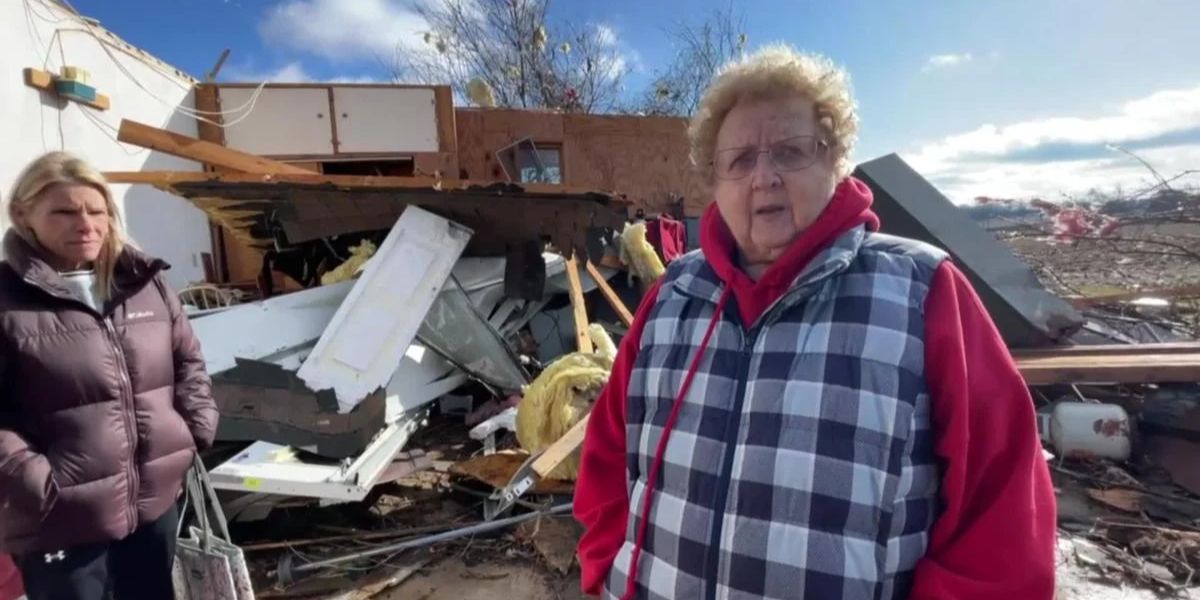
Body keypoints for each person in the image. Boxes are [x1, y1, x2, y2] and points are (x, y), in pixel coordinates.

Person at [574, 45, 1056, 599]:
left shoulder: (922, 291)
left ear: (835, 161)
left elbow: (1001, 520)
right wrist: (608, 573)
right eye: (739, 160)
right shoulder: (671, 297)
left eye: (789, 151)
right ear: (715, 179)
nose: (764, 178)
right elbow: (607, 464)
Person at [0, 152, 217, 599]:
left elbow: (188, 364)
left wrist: (193, 431)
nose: (86, 224)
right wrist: (37, 482)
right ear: (24, 215)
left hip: (153, 502)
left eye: (96, 211)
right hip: (62, 518)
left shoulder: (144, 283)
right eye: (64, 211)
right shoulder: (7, 300)